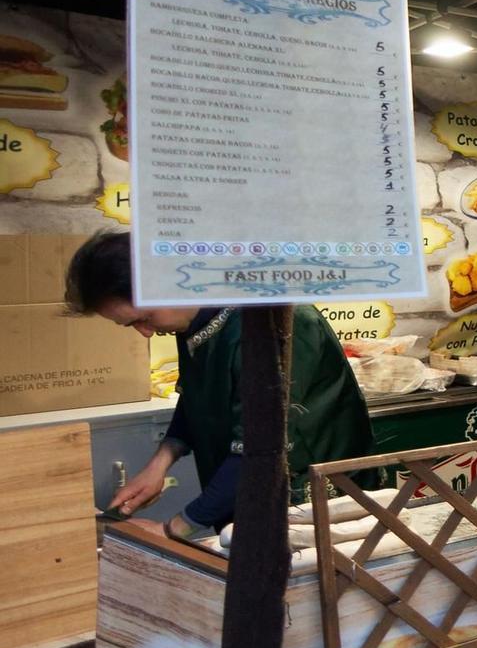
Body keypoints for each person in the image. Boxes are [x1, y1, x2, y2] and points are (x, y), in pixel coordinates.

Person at [67, 231, 377, 540]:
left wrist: (172, 528)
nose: (145, 333)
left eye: (144, 318)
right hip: (247, 497)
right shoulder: (193, 318)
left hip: (315, 506)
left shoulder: (275, 322)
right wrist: (157, 467)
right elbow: (196, 399)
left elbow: (259, 449)